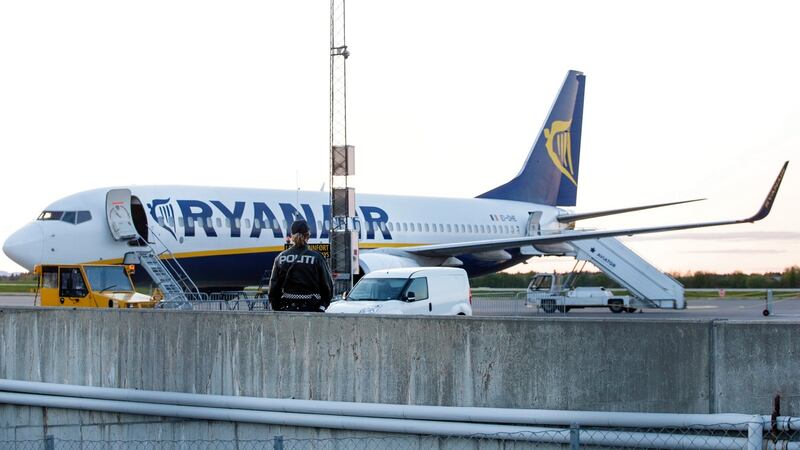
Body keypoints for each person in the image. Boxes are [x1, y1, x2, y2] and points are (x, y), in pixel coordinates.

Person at [268, 219, 333, 312]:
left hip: (287, 309)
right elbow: (327, 286)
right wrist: (322, 307)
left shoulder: (281, 258)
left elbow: (273, 288)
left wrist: (277, 308)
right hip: (312, 309)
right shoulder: (317, 257)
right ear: (308, 235)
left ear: (291, 236)